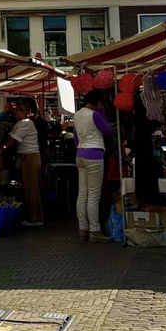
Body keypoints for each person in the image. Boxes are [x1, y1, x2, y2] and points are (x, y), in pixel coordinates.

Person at [73, 89, 114, 242]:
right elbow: (108, 130)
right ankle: (94, 230)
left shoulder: (77, 115)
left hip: (80, 154)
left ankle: (82, 229)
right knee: (94, 195)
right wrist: (101, 110)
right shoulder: (95, 114)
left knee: (82, 194)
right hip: (94, 154)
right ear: (97, 102)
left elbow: (76, 138)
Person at [6, 100, 43, 227]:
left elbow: (13, 139)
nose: (15, 112)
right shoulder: (20, 123)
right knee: (28, 189)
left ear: (25, 112)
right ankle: (31, 216)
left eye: (18, 110)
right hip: (25, 158)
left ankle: (36, 218)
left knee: (32, 189)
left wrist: (3, 148)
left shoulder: (26, 123)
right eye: (15, 109)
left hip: (30, 157)